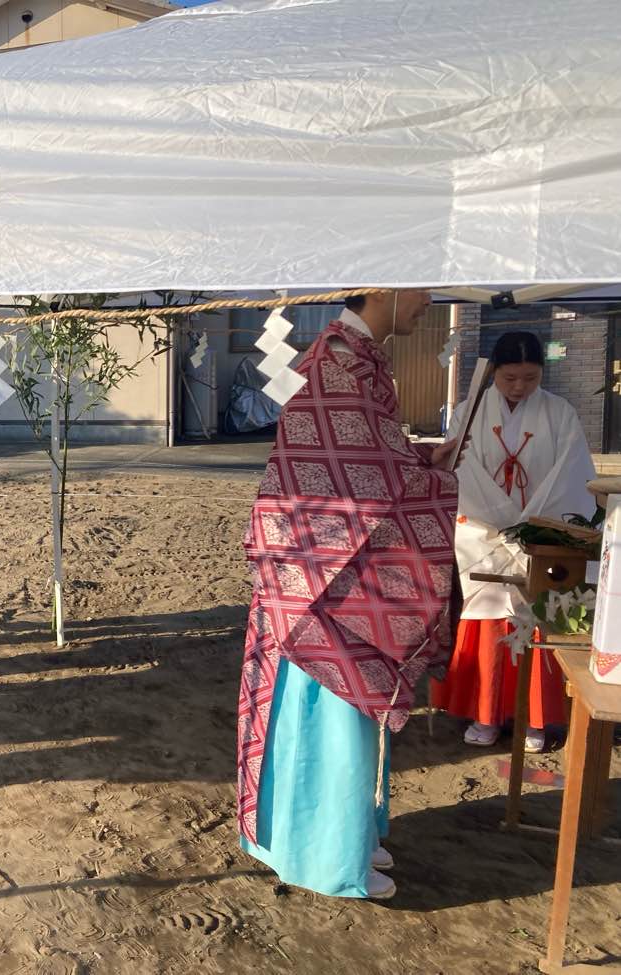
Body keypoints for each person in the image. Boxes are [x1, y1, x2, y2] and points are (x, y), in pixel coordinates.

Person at [236, 290, 460, 901]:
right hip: (320, 575)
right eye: (422, 291)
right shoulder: (340, 360)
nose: (428, 304)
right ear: (388, 287)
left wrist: (418, 461)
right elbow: (353, 474)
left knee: (342, 713)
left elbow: (366, 465)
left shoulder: (354, 358)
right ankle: (324, 854)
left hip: (324, 567)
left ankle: (349, 838)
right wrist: (432, 478)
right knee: (332, 713)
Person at [431, 331, 596, 752]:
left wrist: (530, 527)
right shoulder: (469, 410)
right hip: (481, 530)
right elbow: (459, 471)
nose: (520, 387)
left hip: (540, 532)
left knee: (538, 616)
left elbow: (572, 475)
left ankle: (534, 719)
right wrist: (503, 523)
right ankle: (485, 714)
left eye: (530, 377)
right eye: (510, 378)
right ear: (493, 374)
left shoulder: (560, 413)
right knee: (487, 617)